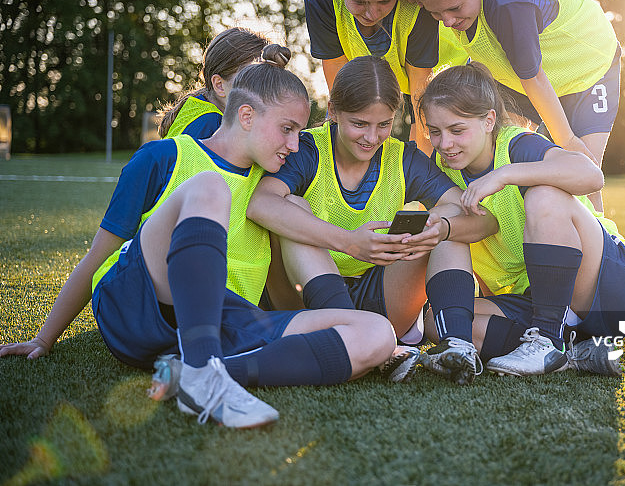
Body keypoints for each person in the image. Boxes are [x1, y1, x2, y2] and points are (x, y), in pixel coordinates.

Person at [0, 45, 396, 428]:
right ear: (245, 115)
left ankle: (201, 374)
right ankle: (204, 371)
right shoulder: (162, 157)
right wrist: (45, 336)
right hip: (137, 305)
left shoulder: (270, 181)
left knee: (377, 333)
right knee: (209, 187)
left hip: (226, 321)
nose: (294, 145)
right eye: (287, 130)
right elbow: (97, 256)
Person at [247, 55, 482, 385]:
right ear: (333, 111)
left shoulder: (404, 158)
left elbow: (478, 218)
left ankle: (458, 346)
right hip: (305, 298)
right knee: (293, 205)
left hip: (381, 296)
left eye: (383, 124)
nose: (372, 138)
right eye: (359, 123)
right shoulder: (306, 149)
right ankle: (361, 340)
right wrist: (348, 242)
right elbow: (260, 204)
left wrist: (441, 228)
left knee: (447, 218)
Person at [417, 62, 625, 376]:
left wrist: (505, 175)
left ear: (488, 121)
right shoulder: (440, 168)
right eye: (435, 132)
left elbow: (591, 176)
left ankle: (548, 341)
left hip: (608, 286)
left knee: (544, 195)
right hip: (536, 298)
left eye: (457, 130)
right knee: (439, 320)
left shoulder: (516, 144)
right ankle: (573, 353)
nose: (445, 144)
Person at [411, 0, 620, 210]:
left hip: (589, 68)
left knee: (580, 171)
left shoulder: (505, 1)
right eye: (435, 13)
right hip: (526, 80)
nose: (448, 21)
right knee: (497, 155)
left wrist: (569, 143)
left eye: (454, 9)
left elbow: (534, 78)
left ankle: (606, 242)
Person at [303, 0, 467, 155]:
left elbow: (421, 98)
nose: (371, 14)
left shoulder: (415, 1)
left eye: (384, 1)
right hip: (400, 74)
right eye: (359, 2)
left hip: (442, 71)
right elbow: (339, 79)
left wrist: (422, 169)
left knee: (434, 143)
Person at [157, 27, 268, 140]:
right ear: (219, 85)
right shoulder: (213, 126)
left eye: (267, 80)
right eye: (251, 79)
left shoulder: (197, 109)